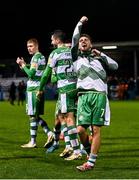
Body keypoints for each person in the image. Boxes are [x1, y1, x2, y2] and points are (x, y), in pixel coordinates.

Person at [71, 16, 118, 171]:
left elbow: (115, 66)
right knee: (80, 130)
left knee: (96, 129)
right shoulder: (76, 58)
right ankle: (88, 148)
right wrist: (80, 23)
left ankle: (90, 163)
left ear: (91, 44)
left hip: (99, 96)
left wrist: (102, 55)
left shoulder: (99, 59)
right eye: (81, 40)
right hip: (83, 96)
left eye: (86, 40)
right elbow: (74, 38)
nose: (83, 41)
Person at [37, 30, 82, 160]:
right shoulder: (73, 50)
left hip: (65, 89)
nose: (51, 42)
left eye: (52, 40)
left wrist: (40, 89)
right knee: (63, 117)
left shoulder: (55, 53)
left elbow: (46, 75)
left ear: (57, 40)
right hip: (77, 87)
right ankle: (70, 146)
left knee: (68, 119)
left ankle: (76, 150)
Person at [16, 38, 54, 148]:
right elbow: (34, 73)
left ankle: (34, 141)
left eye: (31, 46)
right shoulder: (41, 57)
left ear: (37, 46)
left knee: (32, 115)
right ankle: (48, 133)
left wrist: (23, 65)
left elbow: (31, 75)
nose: (29, 48)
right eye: (28, 46)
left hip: (33, 90)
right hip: (39, 88)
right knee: (34, 115)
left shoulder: (36, 57)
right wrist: (24, 66)